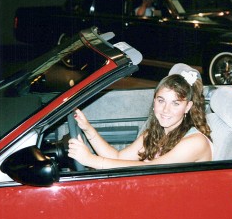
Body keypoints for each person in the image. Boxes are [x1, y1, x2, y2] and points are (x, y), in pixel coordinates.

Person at [68, 63, 213, 169]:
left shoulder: (195, 142)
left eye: (175, 103)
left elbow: (153, 169)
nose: (165, 110)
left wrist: (91, 160)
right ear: (154, 100)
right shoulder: (155, 134)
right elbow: (118, 158)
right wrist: (87, 129)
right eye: (161, 101)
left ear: (187, 107)